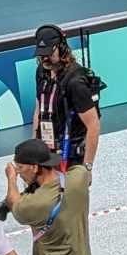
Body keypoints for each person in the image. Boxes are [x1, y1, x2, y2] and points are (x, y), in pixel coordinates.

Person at [2, 140, 91, 255]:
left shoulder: (33, 204)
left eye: (20, 168)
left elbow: (13, 202)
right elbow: (78, 169)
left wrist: (11, 178)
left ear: (34, 167)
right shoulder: (79, 177)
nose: (18, 173)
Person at [28, 25, 102, 172]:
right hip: (47, 150)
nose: (45, 58)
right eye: (41, 54)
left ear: (61, 48)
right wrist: (35, 148)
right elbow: (39, 110)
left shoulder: (76, 82)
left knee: (71, 195)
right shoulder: (42, 72)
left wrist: (87, 168)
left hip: (71, 156)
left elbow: (93, 125)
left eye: (49, 53)